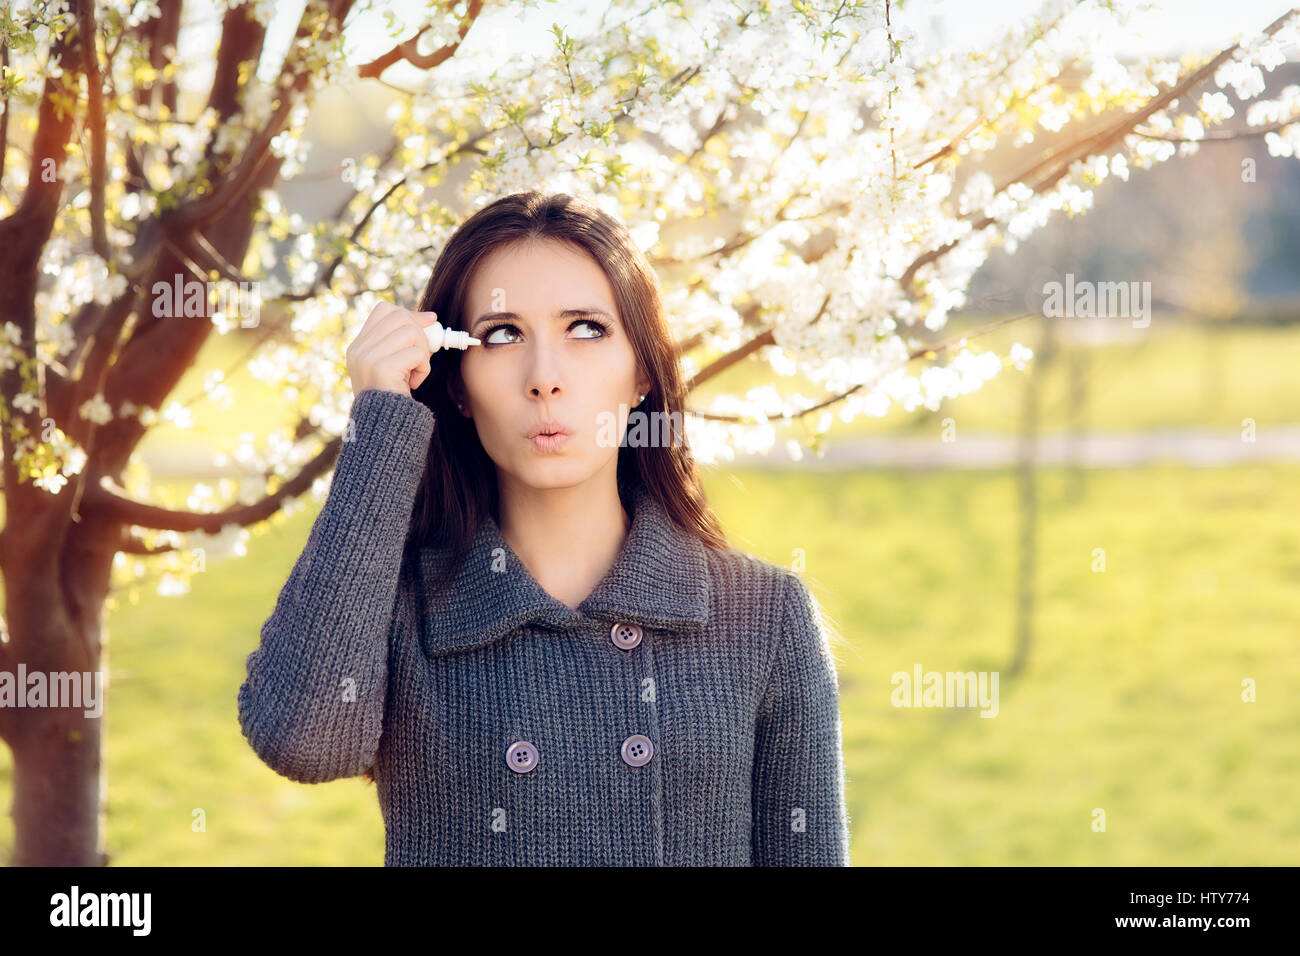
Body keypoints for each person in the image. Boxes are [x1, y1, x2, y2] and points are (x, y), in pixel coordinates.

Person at [237, 190, 851, 866]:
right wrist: (379, 425)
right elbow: (303, 740)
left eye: (585, 328)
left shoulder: (762, 615)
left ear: (642, 369)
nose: (545, 379)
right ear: (459, 384)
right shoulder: (406, 608)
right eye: (502, 334)